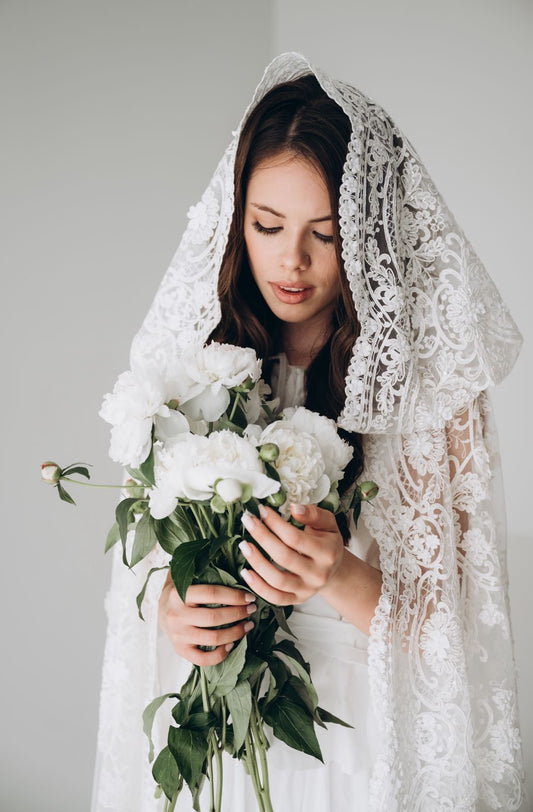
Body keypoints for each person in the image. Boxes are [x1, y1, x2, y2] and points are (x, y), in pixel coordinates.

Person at [92, 54, 526, 811]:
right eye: (267, 226)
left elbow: (463, 642)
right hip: (226, 749)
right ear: (236, 221)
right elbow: (149, 576)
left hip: (357, 750)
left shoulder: (430, 394)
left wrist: (337, 574)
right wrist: (174, 607)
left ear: (369, 235)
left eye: (324, 234)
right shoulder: (189, 370)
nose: (290, 260)